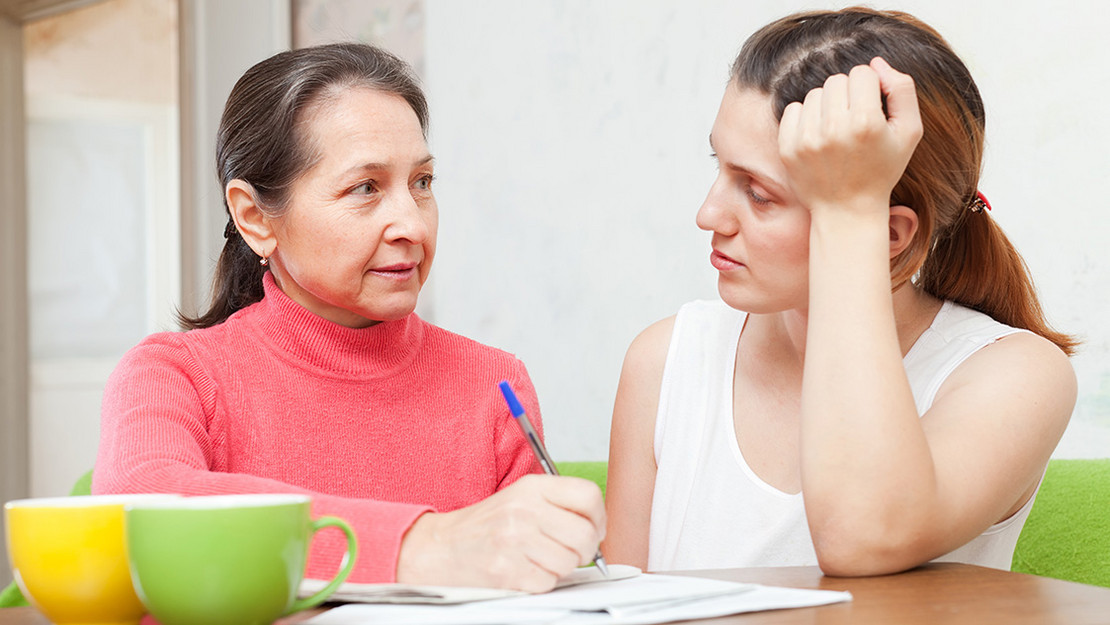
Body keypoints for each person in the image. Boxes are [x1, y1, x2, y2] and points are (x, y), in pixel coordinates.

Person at [93, 42, 604, 591]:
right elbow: (141, 507)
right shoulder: (175, 375)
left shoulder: (495, 383)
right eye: (366, 188)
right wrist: (423, 547)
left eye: (422, 183)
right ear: (254, 217)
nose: (412, 223)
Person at [603, 7, 1077, 576]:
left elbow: (862, 537)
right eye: (719, 167)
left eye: (758, 193)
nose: (709, 215)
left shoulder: (1018, 376)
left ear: (890, 234)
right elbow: (622, 604)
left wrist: (852, 213)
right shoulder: (666, 360)